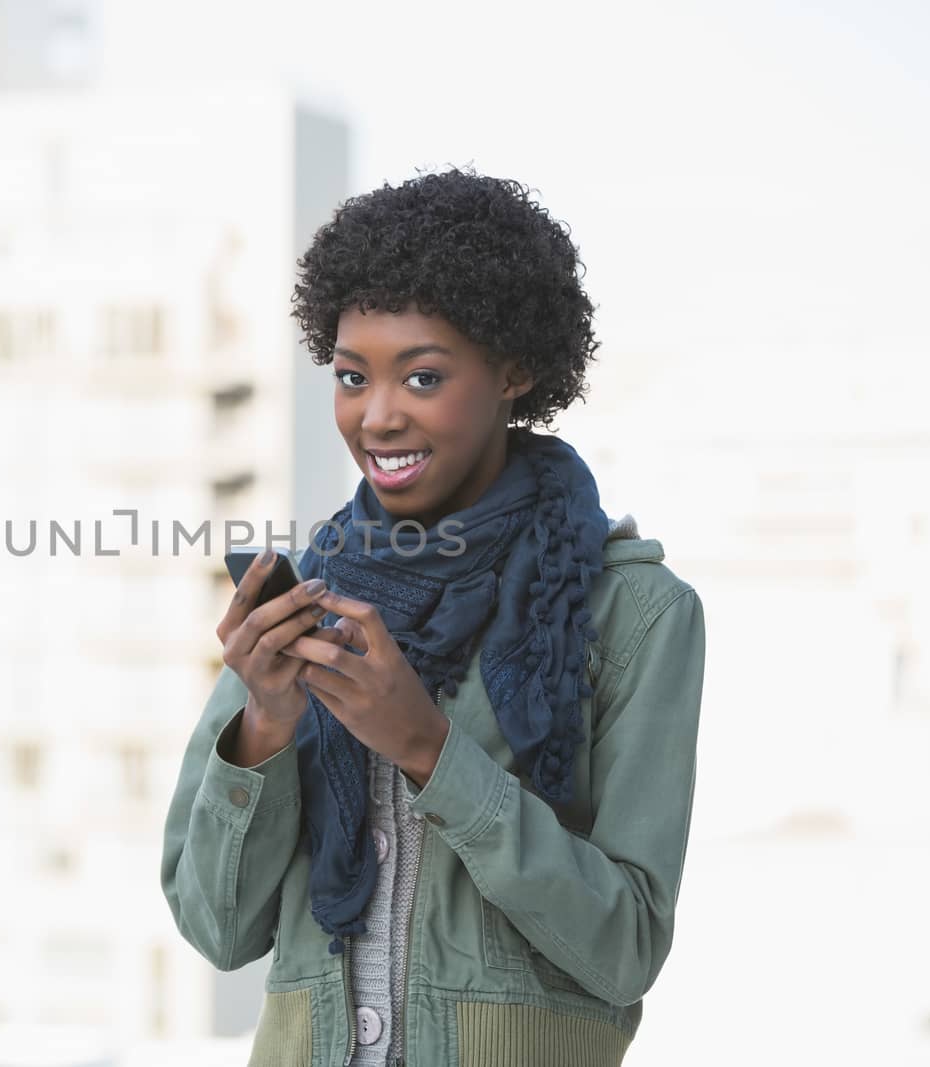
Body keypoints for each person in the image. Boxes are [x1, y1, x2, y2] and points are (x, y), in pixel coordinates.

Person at [160, 165, 707, 1067]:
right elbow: (219, 931)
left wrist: (427, 748)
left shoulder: (637, 615)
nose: (376, 417)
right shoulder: (310, 597)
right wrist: (263, 722)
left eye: (421, 376)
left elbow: (626, 948)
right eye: (350, 376)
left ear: (515, 371)